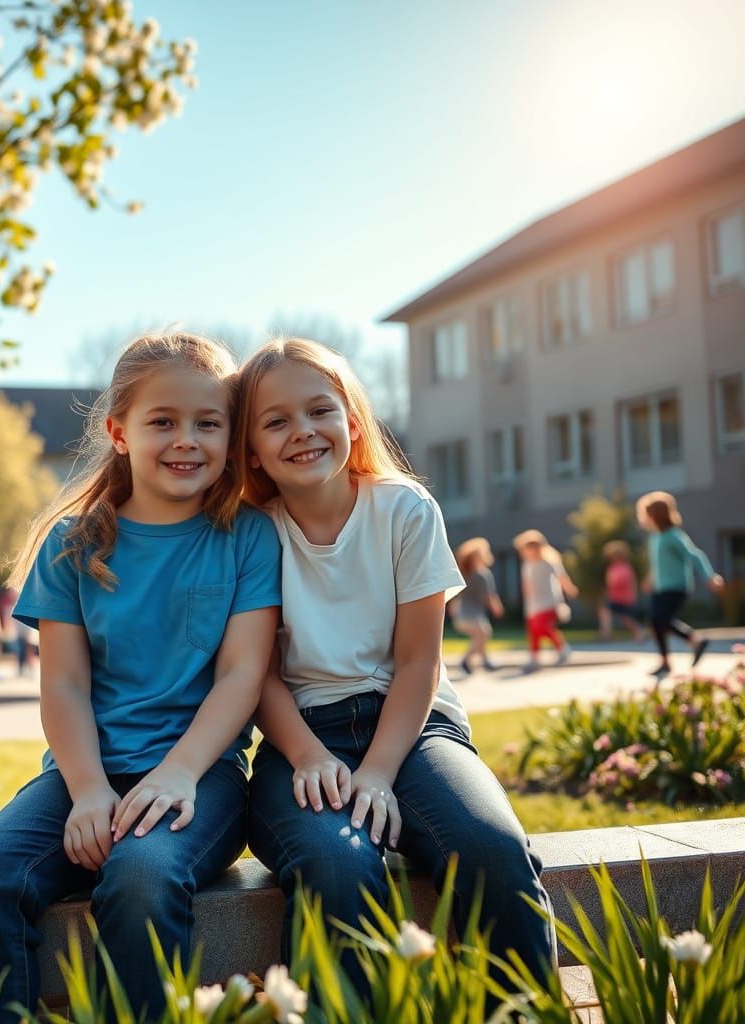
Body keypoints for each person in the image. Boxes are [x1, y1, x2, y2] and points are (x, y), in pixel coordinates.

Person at [0, 332, 281, 1023]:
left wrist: (178, 772)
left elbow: (243, 676)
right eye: (164, 422)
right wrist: (89, 790)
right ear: (120, 433)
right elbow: (61, 687)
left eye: (208, 423)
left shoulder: (247, 536)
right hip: (81, 773)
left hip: (198, 777)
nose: (187, 440)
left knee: (141, 878)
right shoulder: (73, 545)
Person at [235, 338, 554, 998]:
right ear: (252, 448)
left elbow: (419, 661)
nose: (303, 432)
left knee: (492, 850)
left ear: (352, 422)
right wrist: (311, 758)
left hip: (416, 731)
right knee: (337, 863)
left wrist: (378, 773)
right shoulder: (248, 532)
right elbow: (256, 675)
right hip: (303, 739)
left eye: (320, 410)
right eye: (276, 420)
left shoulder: (405, 510)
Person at [637, 491, 724, 678]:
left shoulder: (673, 536)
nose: (644, 518)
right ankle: (667, 661)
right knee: (656, 621)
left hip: (677, 586)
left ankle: (694, 641)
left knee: (660, 619)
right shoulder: (655, 538)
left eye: (646, 514)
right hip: (661, 587)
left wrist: (709, 576)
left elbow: (694, 555)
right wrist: (650, 579)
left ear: (655, 515)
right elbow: (659, 564)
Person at [513, 529, 579, 673]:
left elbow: (561, 577)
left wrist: (569, 589)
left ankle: (562, 648)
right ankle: (534, 658)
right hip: (533, 604)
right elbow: (526, 585)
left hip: (549, 602)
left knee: (541, 626)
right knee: (534, 632)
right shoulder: (527, 565)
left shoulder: (548, 562)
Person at [449, 537, 504, 674]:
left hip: (462, 616)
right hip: (473, 615)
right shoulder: (483, 574)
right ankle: (466, 660)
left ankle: (486, 661)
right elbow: (489, 596)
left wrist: (452, 609)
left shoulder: (462, 573)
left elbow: (456, 595)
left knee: (480, 637)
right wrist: (496, 607)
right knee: (484, 634)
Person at [601, 540, 646, 643]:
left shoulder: (625, 568)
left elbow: (624, 582)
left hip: (623, 597)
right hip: (614, 596)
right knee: (608, 612)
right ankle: (607, 633)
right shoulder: (613, 568)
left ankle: (639, 631)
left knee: (625, 618)